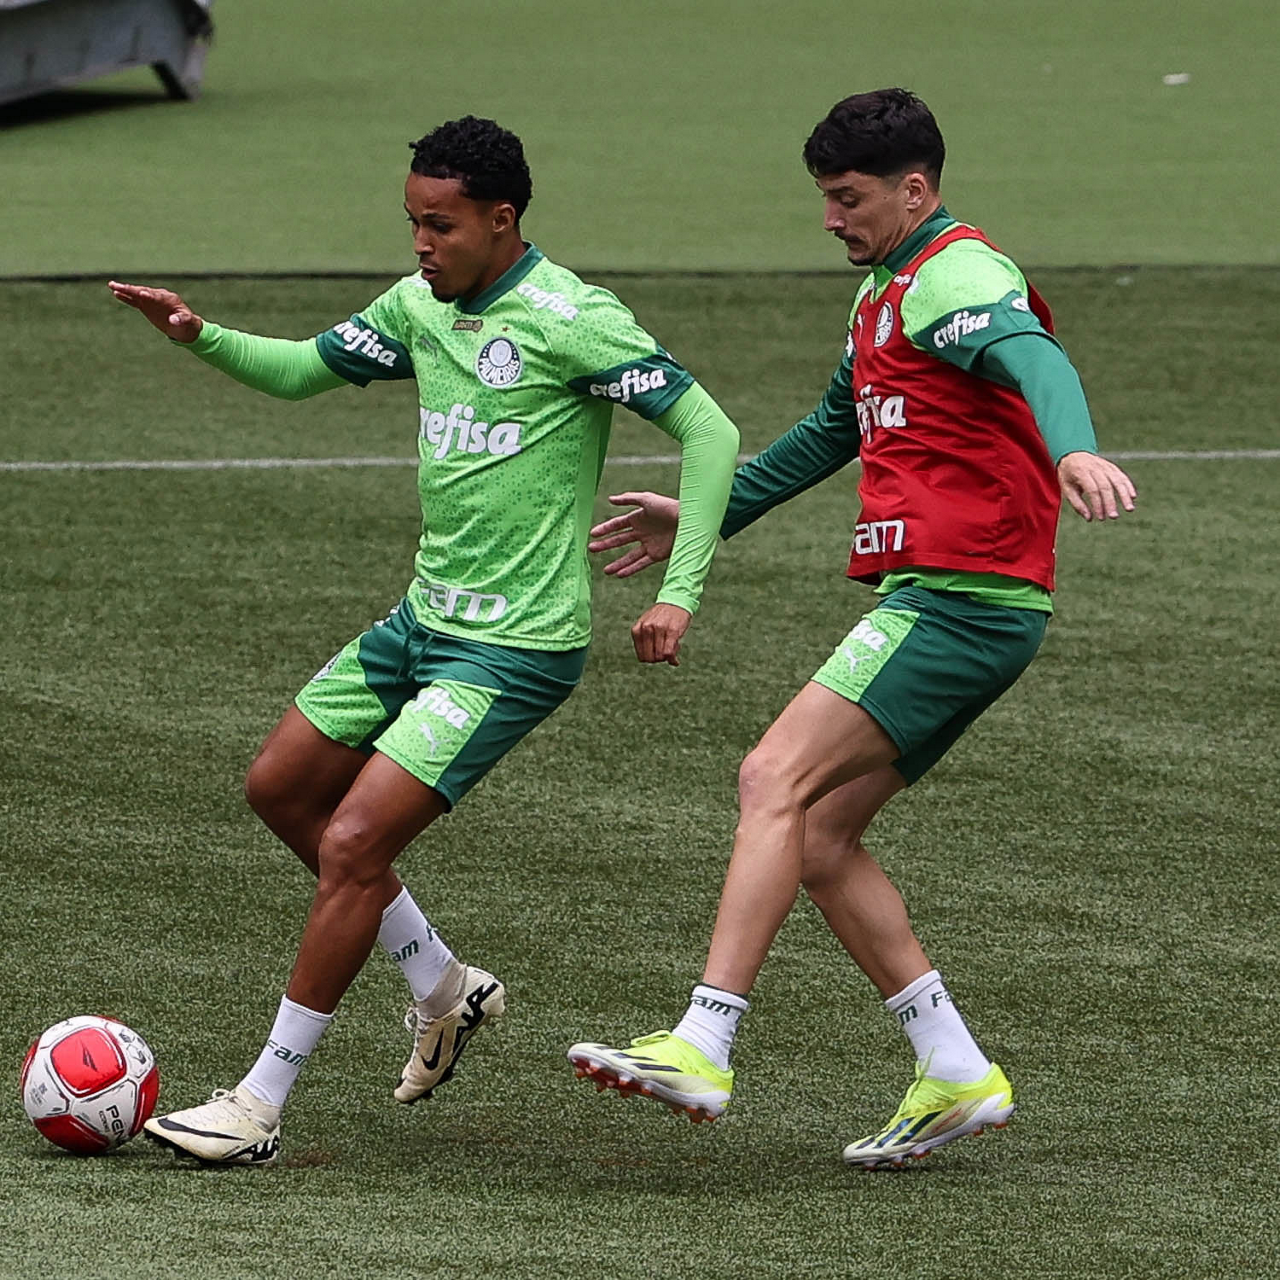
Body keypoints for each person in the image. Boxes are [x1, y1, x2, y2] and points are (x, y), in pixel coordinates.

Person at [108, 115, 740, 1166]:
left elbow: (709, 430)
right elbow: (303, 369)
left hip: (513, 651)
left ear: (500, 220)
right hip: (420, 623)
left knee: (354, 844)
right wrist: (199, 333)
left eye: (439, 225)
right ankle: (444, 986)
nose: (420, 244)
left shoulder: (571, 319)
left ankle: (258, 1105)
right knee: (281, 789)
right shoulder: (419, 306)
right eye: (411, 221)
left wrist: (680, 593)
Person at [567, 88, 1137, 1168]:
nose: (830, 218)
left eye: (848, 198)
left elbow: (1035, 358)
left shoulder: (957, 273)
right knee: (820, 833)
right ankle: (954, 1067)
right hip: (964, 602)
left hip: (960, 598)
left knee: (769, 778)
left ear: (913, 190)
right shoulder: (884, 294)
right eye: (825, 198)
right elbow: (831, 428)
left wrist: (1071, 445)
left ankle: (703, 1040)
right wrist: (708, 512)